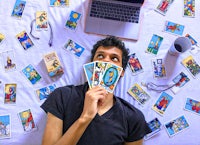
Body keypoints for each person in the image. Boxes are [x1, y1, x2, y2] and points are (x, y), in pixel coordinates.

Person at [41, 36, 151, 145]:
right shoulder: (62, 96)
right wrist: (85, 117)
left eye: (114, 58)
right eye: (100, 56)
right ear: (92, 65)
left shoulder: (133, 118)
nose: (106, 60)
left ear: (121, 72)